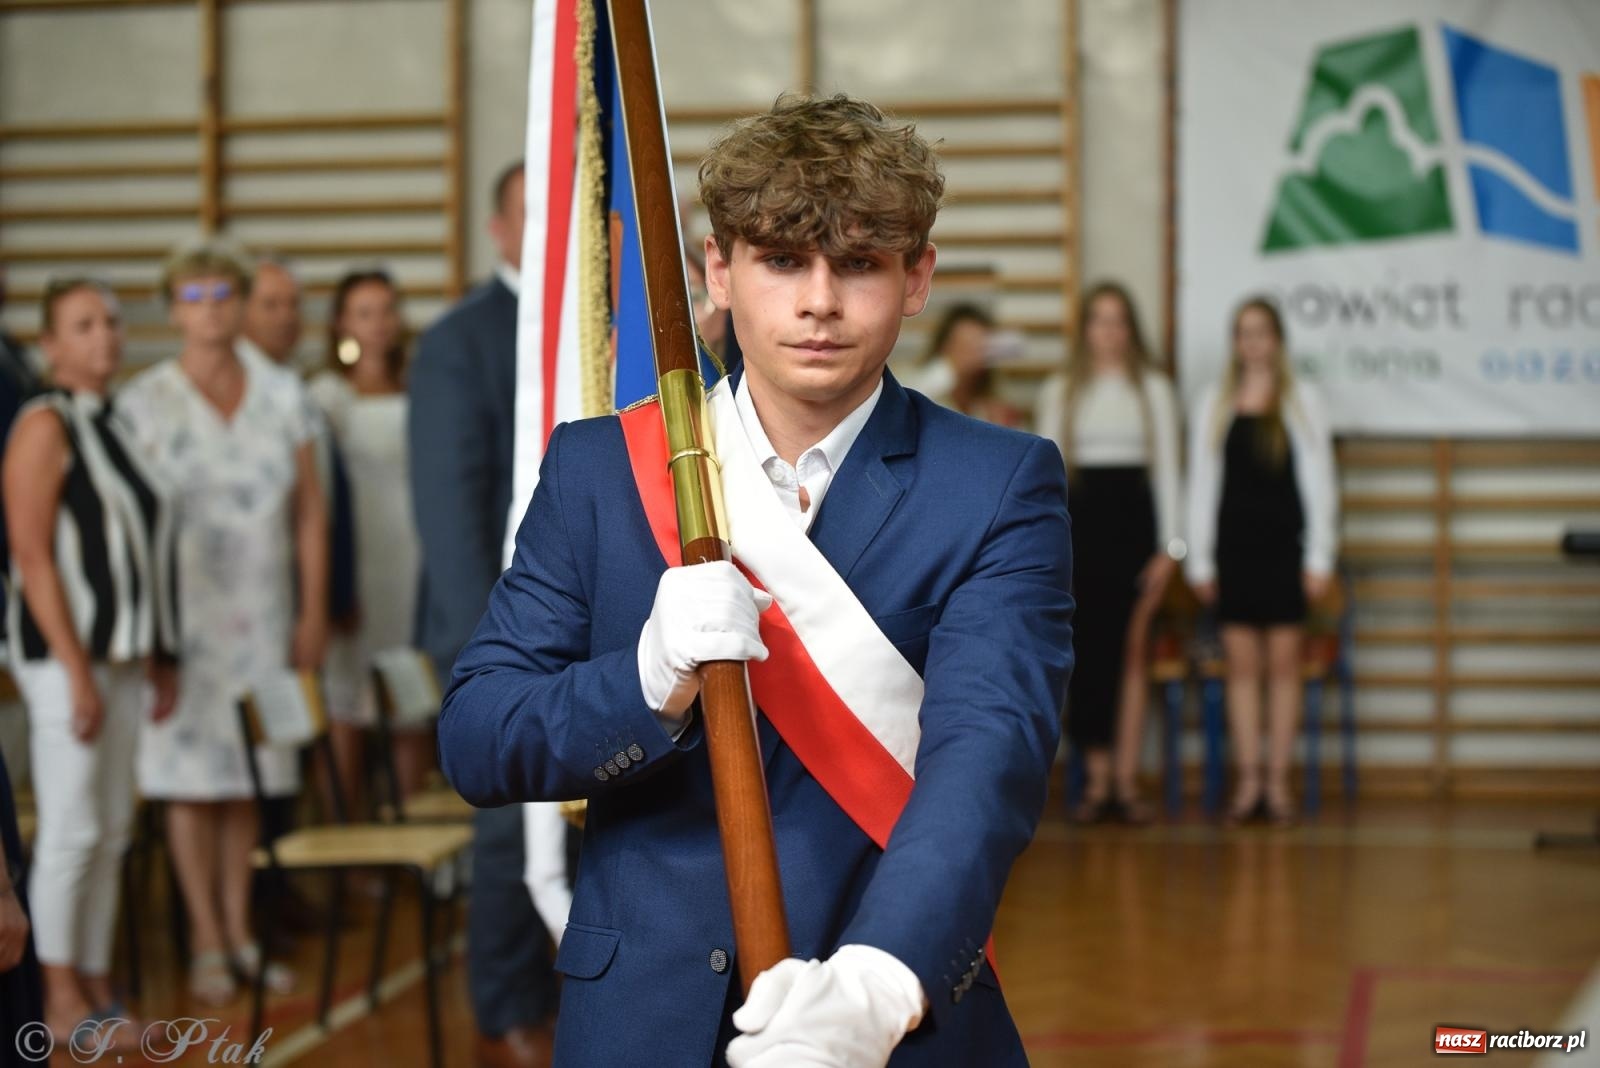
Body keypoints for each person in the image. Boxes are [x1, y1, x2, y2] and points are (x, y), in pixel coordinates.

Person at [438, 93, 1073, 1068]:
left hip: (883, 1022)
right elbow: (480, 739)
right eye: (783, 261)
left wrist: (876, 986)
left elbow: (987, 758)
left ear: (917, 279)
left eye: (858, 263)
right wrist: (643, 683)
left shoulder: (996, 484)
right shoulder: (603, 471)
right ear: (718, 272)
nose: (819, 300)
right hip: (640, 1024)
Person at [117, 241, 327, 1004]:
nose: (210, 310)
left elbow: (310, 512)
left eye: (222, 294)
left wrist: (311, 610)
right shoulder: (143, 402)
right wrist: (146, 636)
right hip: (181, 625)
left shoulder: (282, 393)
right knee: (188, 785)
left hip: (265, 613)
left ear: (241, 303)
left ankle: (240, 931)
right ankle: (203, 936)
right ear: (173, 309)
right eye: (194, 297)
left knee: (248, 781)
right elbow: (125, 527)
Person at [409, 161, 558, 1068]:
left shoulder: (594, 326)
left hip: (589, 632)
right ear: (498, 231)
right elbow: (450, 509)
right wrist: (488, 654)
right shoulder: (461, 339)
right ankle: (505, 1004)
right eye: (526, 214)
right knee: (509, 827)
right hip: (495, 629)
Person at [2, 279, 177, 1040]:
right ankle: (58, 990)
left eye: (110, 321)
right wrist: (74, 669)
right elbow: (33, 557)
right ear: (50, 345)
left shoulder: (114, 421)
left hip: (124, 657)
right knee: (72, 827)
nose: (105, 336)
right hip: (62, 661)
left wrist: (157, 653)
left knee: (110, 828)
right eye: (83, 325)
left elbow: (142, 552)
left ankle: (98, 980)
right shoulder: (43, 425)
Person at [1185, 297, 1338, 827]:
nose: (1253, 342)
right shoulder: (1215, 402)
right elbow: (1202, 486)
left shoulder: (1302, 400)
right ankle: (1248, 782)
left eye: (1262, 332)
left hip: (1284, 555)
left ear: (1276, 340)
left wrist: (1319, 555)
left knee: (1283, 668)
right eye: (1244, 333)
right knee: (1243, 671)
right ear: (1236, 342)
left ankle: (1277, 782)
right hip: (1235, 557)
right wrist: (1201, 562)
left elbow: (1320, 483)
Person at [1035, 282, 1183, 824]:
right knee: (1088, 658)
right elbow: (1048, 480)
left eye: (1119, 321)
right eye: (1099, 320)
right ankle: (1096, 781)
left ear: (1131, 330)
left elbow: (1168, 472)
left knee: (1132, 652)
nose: (1110, 332)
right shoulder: (1062, 391)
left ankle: (1125, 778)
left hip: (1135, 534)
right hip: (1080, 534)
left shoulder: (1155, 391)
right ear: (1086, 330)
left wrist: (1170, 549)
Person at [308, 269, 428, 809]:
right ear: (340, 323)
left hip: (413, 564)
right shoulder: (327, 395)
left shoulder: (420, 384)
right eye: (364, 313)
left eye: (386, 310)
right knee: (348, 704)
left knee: (411, 700)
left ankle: (410, 847)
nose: (378, 324)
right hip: (356, 565)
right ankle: (346, 848)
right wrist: (332, 586)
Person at [915, 303, 1024, 427]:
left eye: (981, 347)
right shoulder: (922, 389)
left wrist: (1001, 429)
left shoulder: (991, 407)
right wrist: (953, 368)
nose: (974, 354)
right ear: (944, 347)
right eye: (965, 346)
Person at [239, 257, 303, 368]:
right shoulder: (233, 375)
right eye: (271, 305)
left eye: (293, 304)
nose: (286, 317)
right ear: (242, 310)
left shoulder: (295, 370)